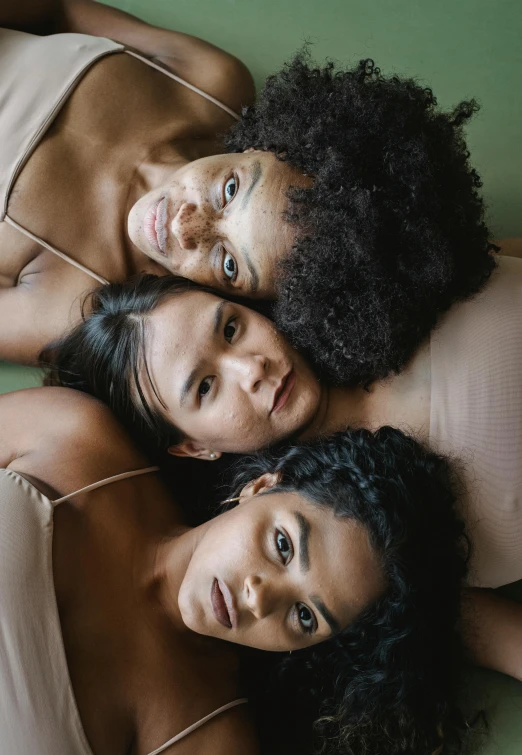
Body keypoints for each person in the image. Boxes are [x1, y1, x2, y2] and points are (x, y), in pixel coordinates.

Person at [45, 253, 522, 680]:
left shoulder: (375, 274)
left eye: (230, 328)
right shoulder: (371, 549)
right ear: (194, 447)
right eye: (206, 388)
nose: (251, 369)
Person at [0, 0, 503, 381]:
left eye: (229, 264)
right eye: (231, 189)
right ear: (268, 145)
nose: (185, 227)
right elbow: (55, 7)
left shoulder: (70, 308)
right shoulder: (211, 84)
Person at [0, 386, 470, 755]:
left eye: (305, 616)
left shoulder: (207, 748)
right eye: (283, 546)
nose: (261, 599)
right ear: (261, 487)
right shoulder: (78, 436)